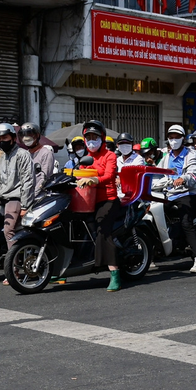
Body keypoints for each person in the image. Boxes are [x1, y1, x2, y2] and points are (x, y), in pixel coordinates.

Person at [75, 120, 123, 291]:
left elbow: (110, 176)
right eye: (88, 137)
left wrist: (94, 179)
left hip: (108, 200)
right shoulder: (86, 157)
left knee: (103, 228)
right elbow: (79, 173)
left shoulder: (110, 156)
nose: (91, 141)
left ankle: (114, 272)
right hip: (88, 200)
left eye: (95, 137)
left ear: (102, 138)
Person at [160, 124, 196, 273]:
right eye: (171, 138)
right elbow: (156, 172)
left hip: (187, 193)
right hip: (169, 193)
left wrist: (183, 178)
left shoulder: (190, 155)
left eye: (176, 137)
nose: (173, 140)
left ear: (182, 139)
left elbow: (194, 174)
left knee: (186, 222)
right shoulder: (166, 157)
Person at [0, 121, 37, 254]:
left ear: (13, 138)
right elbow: (0, 180)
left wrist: (25, 206)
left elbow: (28, 181)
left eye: (4, 138)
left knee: (9, 230)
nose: (1, 141)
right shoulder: (3, 157)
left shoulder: (22, 154)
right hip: (1, 194)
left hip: (15, 197)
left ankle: (14, 266)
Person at [18, 123, 54, 204]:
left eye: (29, 134)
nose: (26, 138)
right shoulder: (25, 154)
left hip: (38, 196)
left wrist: (31, 196)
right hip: (23, 195)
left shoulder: (46, 153)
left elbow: (43, 178)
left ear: (37, 135)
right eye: (23, 135)